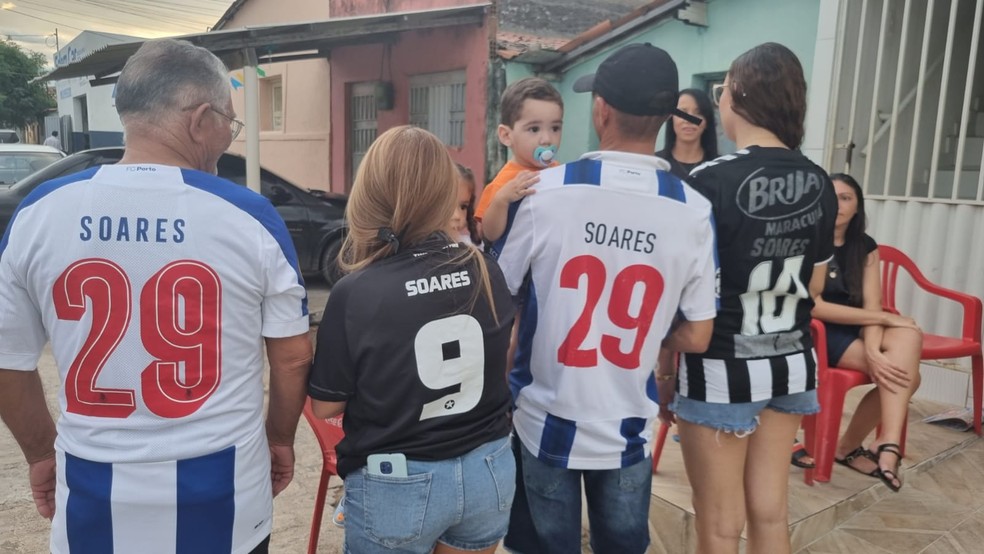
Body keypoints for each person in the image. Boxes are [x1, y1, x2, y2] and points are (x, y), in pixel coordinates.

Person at [0, 39, 312, 554]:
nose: (227, 139)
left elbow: (8, 361)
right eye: (229, 125)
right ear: (200, 118)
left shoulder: (39, 212)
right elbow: (294, 356)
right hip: (223, 489)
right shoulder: (250, 216)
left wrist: (39, 453)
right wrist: (279, 438)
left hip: (93, 492)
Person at [495, 43, 717, 553]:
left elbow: (498, 298)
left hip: (543, 421)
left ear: (602, 110)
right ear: (665, 118)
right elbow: (699, 334)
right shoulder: (693, 211)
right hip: (629, 427)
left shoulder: (545, 192)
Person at [308, 125, 516, 554]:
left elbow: (326, 404)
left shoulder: (357, 291)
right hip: (488, 469)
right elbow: (502, 360)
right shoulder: (483, 268)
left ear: (369, 194)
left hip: (399, 483)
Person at [665, 42, 838, 554]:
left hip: (721, 363)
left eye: (721, 90)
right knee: (771, 514)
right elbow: (816, 287)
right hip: (791, 360)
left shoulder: (706, 180)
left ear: (736, 95)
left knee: (719, 526)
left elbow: (682, 290)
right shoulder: (821, 182)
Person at [811, 172, 922, 491]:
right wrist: (885, 321)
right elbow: (814, 306)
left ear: (857, 207)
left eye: (846, 198)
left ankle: (887, 442)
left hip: (857, 326)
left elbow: (874, 306)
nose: (838, 204)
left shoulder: (865, 247)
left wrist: (873, 348)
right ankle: (851, 449)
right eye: (832, 197)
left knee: (909, 335)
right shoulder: (809, 241)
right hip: (819, 331)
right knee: (909, 378)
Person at [475, 77, 563, 243]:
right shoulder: (503, 184)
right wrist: (502, 200)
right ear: (507, 136)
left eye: (555, 128)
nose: (547, 139)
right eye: (534, 129)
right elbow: (488, 234)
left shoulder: (559, 171)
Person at [655, 88, 719, 179]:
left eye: (698, 113)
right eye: (682, 113)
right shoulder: (656, 164)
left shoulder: (719, 167)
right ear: (671, 118)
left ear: (707, 122)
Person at [452, 163, 482, 247]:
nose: (457, 216)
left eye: (463, 207)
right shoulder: (417, 252)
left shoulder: (471, 248)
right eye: (449, 206)